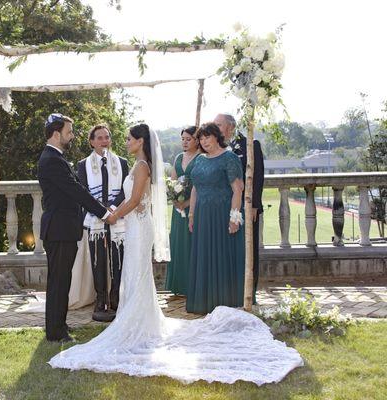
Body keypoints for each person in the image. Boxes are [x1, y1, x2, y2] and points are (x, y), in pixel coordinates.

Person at [49, 123, 303, 386]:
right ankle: (137, 317)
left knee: (136, 271)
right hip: (135, 224)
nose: (125, 142)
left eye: (129, 139)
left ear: (141, 142)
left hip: (137, 225)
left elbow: (135, 200)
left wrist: (113, 215)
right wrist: (114, 213)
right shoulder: (139, 165)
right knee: (134, 273)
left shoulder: (142, 166)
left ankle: (136, 321)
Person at [37, 113, 113, 343]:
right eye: (69, 132)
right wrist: (104, 212)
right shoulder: (52, 159)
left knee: (62, 280)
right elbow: (76, 191)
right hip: (59, 230)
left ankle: (59, 325)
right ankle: (55, 332)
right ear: (57, 133)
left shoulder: (56, 158)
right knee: (59, 281)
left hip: (62, 228)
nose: (71, 136)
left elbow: (75, 189)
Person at [187, 123, 245, 314]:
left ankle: (223, 302)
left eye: (207, 137)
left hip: (222, 215)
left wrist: (234, 218)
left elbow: (238, 189)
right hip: (203, 215)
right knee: (204, 253)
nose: (204, 142)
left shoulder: (229, 158)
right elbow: (195, 188)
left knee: (221, 254)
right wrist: (192, 214)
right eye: (201, 139)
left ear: (217, 137)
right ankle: (203, 302)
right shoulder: (199, 159)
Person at [77, 124, 129, 322]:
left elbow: (125, 190)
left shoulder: (122, 162)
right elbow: (82, 192)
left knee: (118, 258)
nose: (104, 141)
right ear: (91, 142)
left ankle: (116, 296)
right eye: (99, 138)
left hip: (117, 218)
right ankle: (101, 298)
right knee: (98, 260)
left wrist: (112, 210)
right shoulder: (83, 165)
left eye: (106, 137)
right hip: (95, 220)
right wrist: (100, 211)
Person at [214, 113, 265, 303]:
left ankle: (249, 293)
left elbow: (258, 177)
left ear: (231, 127)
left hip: (246, 206)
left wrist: (255, 206)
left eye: (219, 124)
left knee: (248, 250)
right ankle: (229, 292)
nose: (216, 128)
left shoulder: (250, 145)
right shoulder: (216, 147)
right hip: (222, 207)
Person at [165, 126, 199, 296]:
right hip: (178, 211)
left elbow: (201, 185)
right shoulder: (178, 157)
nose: (185, 142)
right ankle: (178, 285)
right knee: (178, 243)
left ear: (197, 140)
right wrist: (174, 199)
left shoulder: (202, 158)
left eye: (188, 139)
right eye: (183, 139)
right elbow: (172, 181)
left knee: (192, 244)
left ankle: (191, 284)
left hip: (195, 208)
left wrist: (187, 203)